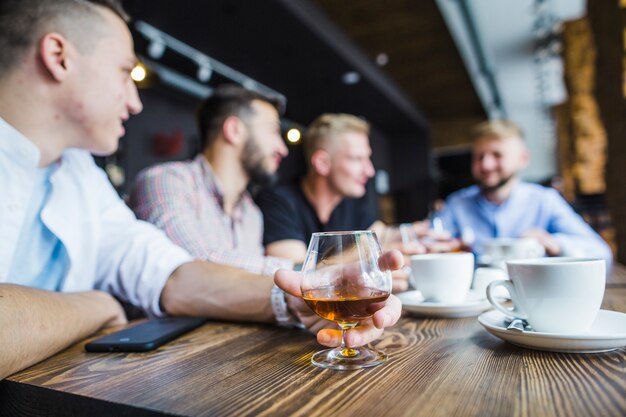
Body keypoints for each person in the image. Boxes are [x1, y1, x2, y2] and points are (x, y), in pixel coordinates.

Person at [0, 0, 402, 379]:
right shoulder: (163, 180)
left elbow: (173, 277)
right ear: (59, 57)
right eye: (125, 71)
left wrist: (298, 300)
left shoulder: (79, 174)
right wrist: (95, 306)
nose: (136, 101)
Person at [130, 85, 292, 276]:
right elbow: (193, 265)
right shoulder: (165, 181)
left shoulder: (252, 214)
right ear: (234, 131)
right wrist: (299, 271)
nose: (283, 149)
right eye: (274, 131)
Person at [436, 120, 613, 266]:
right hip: (474, 302)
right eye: (479, 157)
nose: (486, 165)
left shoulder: (544, 201)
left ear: (523, 159)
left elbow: (602, 255)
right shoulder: (457, 203)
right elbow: (428, 244)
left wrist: (554, 243)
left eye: (497, 155)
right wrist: (438, 246)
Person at [257, 113, 385, 263]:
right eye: (357, 159)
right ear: (322, 163)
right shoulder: (277, 200)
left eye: (367, 158)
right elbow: (294, 272)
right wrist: (365, 251)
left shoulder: (352, 204)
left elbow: (383, 235)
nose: (370, 171)